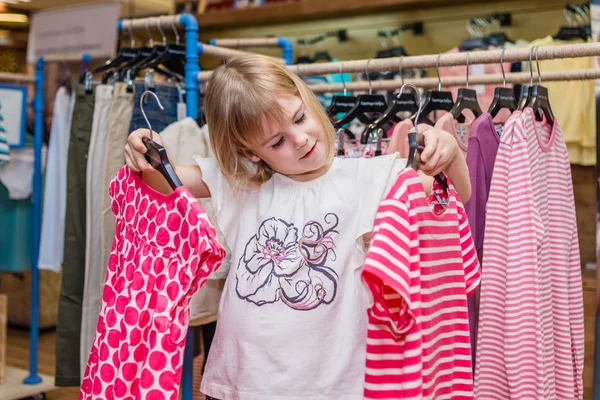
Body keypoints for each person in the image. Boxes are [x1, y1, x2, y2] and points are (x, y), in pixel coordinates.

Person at [125, 54, 471, 400]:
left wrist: (450, 152)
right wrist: (142, 149)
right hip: (242, 384)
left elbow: (455, 195)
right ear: (251, 152)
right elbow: (158, 178)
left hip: (333, 388)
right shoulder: (241, 184)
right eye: (277, 142)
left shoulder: (372, 177)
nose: (301, 139)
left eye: (300, 118)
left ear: (307, 99)